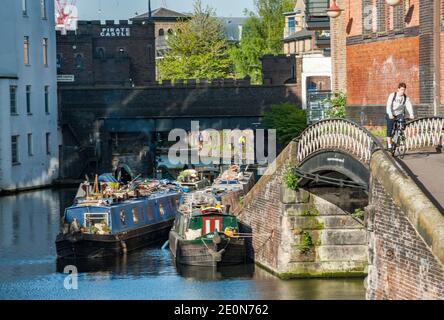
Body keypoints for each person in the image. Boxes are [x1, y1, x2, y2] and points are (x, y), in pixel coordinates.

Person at [386, 82, 414, 150]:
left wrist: (411, 114)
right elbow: (388, 105)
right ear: (398, 89)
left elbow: (409, 106)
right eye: (401, 89)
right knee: (389, 129)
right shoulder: (393, 95)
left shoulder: (405, 97)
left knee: (402, 124)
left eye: (404, 90)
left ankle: (398, 137)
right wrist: (390, 114)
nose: (403, 91)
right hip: (391, 113)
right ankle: (389, 144)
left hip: (399, 114)